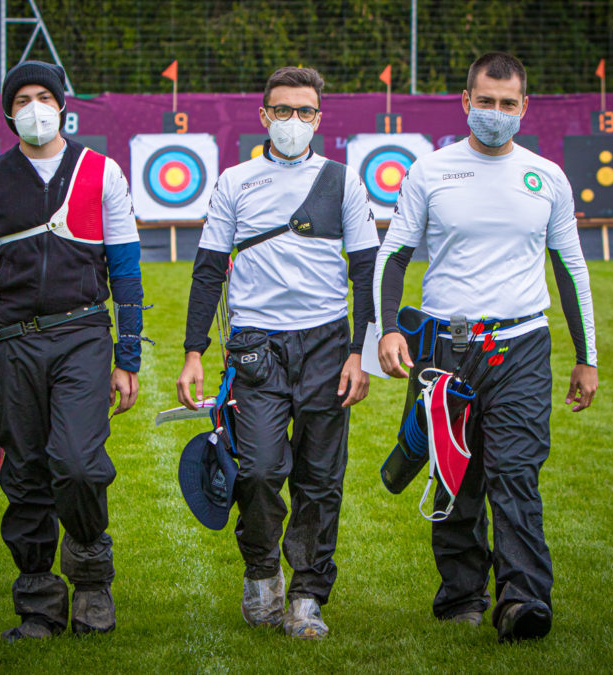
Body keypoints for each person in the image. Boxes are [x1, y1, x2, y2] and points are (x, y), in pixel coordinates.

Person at [375, 52, 598, 643]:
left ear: (524, 107)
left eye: (508, 103)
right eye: (486, 101)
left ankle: (523, 600)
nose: (496, 113)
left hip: (522, 344)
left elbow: (570, 268)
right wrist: (388, 331)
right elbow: (393, 256)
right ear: (466, 101)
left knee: (515, 473)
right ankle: (460, 596)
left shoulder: (547, 175)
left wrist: (587, 356)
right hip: (447, 348)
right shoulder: (429, 171)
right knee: (456, 477)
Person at [0, 60, 145, 641]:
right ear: (7, 112)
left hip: (82, 338)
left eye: (43, 96)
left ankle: (93, 580)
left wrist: (128, 358)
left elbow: (125, 271)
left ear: (63, 104)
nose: (33, 107)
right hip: (9, 344)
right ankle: (39, 606)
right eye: (21, 99)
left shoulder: (102, 172)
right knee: (23, 477)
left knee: (75, 464)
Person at [176, 66, 379, 639]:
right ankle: (263, 572)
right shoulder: (235, 180)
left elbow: (366, 269)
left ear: (320, 117)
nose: (294, 121)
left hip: (326, 346)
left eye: (305, 112)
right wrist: (195, 351)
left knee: (320, 479)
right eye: (282, 111)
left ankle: (308, 595)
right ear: (263, 116)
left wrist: (359, 351)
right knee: (260, 470)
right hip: (255, 349)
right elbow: (209, 268)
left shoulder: (344, 180)